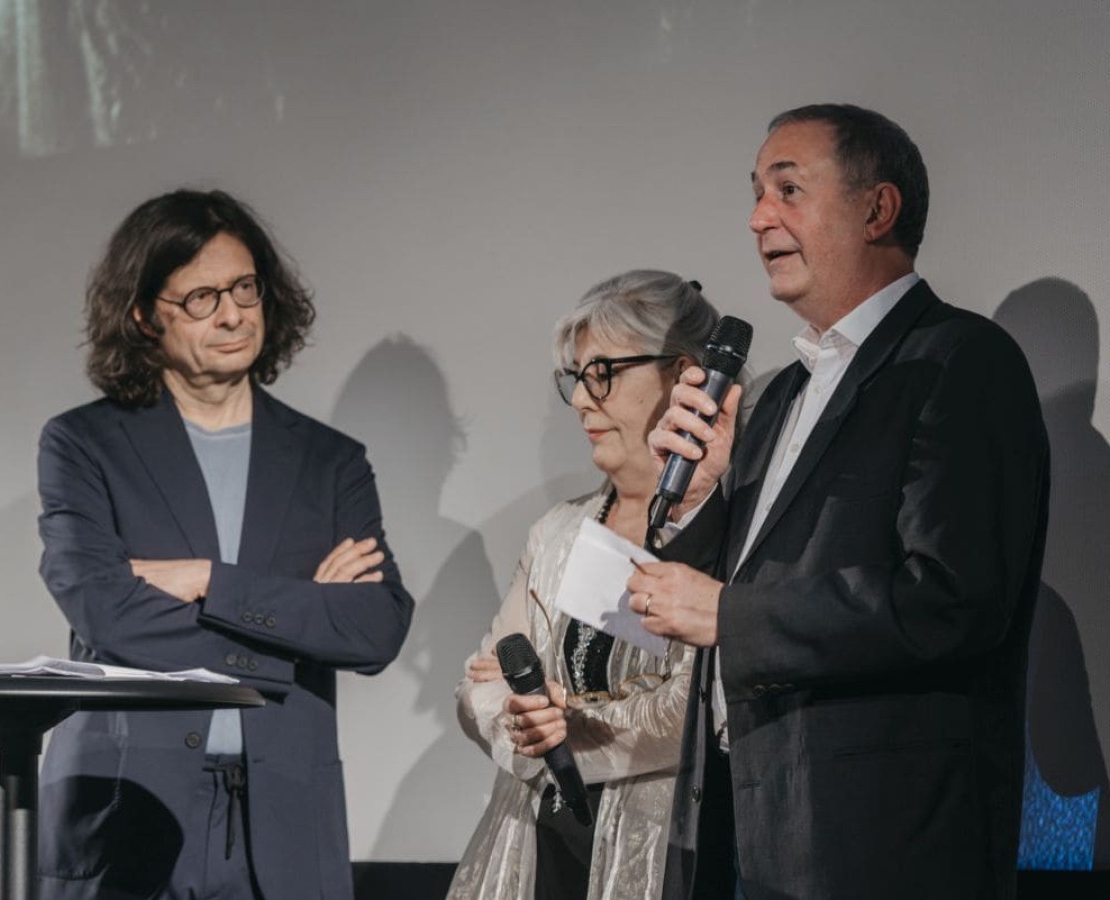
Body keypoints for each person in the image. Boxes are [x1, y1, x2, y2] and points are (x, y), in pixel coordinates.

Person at [629, 104, 1050, 900]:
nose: (759, 219)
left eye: (788, 189)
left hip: (889, 845)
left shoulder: (961, 361)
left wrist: (731, 616)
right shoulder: (783, 391)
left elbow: (952, 599)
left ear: (877, 209)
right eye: (755, 193)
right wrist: (701, 499)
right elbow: (745, 582)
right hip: (761, 826)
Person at [35, 189, 414, 900]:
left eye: (244, 288)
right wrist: (302, 618)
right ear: (145, 314)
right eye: (202, 297)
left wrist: (212, 580)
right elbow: (107, 612)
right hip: (128, 806)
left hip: (285, 820)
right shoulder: (84, 444)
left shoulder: (331, 461)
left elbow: (376, 627)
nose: (234, 314)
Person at [447, 271, 733, 900]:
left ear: (686, 376)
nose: (581, 400)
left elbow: (699, 711)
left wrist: (564, 728)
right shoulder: (559, 531)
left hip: (672, 853)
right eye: (577, 377)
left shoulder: (737, 533)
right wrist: (518, 722)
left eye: (603, 374)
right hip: (536, 848)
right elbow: (480, 687)